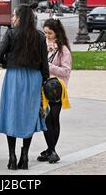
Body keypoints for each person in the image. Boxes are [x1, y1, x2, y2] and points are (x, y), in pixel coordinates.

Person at [0, 5, 49, 170]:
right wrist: (44, 79)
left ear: (19, 18)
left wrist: (7, 62)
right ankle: (24, 155)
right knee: (29, 114)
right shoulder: (39, 36)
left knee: (11, 112)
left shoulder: (11, 34)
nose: (12, 18)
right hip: (33, 78)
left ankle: (12, 156)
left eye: (13, 16)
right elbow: (44, 63)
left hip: (14, 76)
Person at [37, 18, 72, 164]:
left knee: (53, 119)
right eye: (45, 33)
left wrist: (49, 66)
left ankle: (52, 150)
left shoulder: (63, 49)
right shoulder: (42, 46)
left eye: (50, 33)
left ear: (57, 33)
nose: (47, 36)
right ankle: (50, 150)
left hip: (57, 89)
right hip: (43, 88)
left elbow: (66, 71)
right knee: (46, 119)